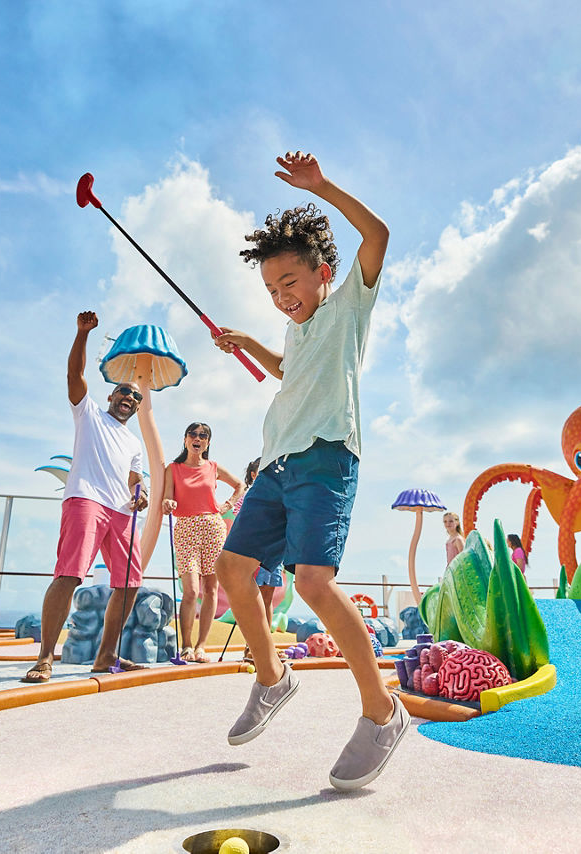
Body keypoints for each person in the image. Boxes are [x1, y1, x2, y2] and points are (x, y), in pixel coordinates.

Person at [212, 150, 406, 790]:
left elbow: (376, 236)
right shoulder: (297, 331)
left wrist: (322, 187)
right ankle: (272, 678)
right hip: (276, 462)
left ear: (323, 272)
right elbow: (292, 373)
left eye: (289, 284)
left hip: (326, 455)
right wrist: (250, 344)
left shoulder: (349, 304)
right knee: (231, 570)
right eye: (270, 291)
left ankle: (382, 714)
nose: (281, 297)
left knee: (315, 583)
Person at [23, 311, 151, 683]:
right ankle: (46, 656)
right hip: (86, 501)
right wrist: (82, 335)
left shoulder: (133, 441)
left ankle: (106, 655)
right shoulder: (90, 413)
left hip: (122, 512)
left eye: (136, 396)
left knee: (130, 584)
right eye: (124, 391)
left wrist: (139, 495)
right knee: (69, 574)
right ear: (111, 394)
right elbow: (74, 377)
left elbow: (135, 479)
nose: (129, 397)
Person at [161, 422, 244, 662]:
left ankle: (201, 646)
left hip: (213, 527)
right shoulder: (173, 469)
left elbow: (240, 485)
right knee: (191, 591)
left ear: (207, 442)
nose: (197, 438)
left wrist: (226, 505)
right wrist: (168, 503)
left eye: (203, 435)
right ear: (185, 439)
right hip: (185, 528)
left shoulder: (213, 467)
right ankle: (186, 645)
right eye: (193, 434)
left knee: (211, 590)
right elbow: (167, 496)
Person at [234, 457, 287, 662]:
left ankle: (266, 646)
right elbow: (242, 522)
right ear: (254, 475)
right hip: (253, 552)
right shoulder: (247, 496)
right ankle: (251, 646)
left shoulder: (278, 495)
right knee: (252, 599)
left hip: (273, 553)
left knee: (267, 599)